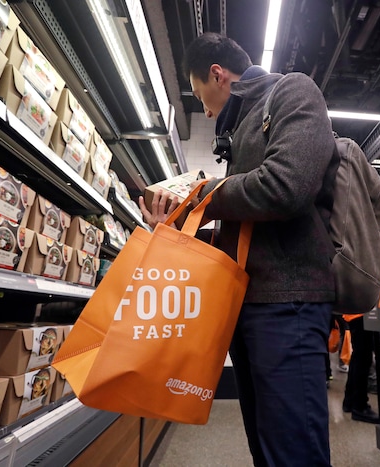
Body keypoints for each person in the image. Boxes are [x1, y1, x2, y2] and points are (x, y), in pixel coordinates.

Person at [141, 32, 339, 466]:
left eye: (199, 95)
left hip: (290, 302)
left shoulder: (292, 91)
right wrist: (176, 230)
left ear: (217, 74)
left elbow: (289, 186)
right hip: (249, 306)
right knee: (266, 449)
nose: (205, 108)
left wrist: (204, 196)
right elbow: (244, 234)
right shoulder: (241, 127)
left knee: (293, 452)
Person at [341, 313, 380, 424]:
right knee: (363, 357)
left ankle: (349, 400)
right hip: (362, 312)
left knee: (358, 356)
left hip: (355, 312)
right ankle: (360, 406)